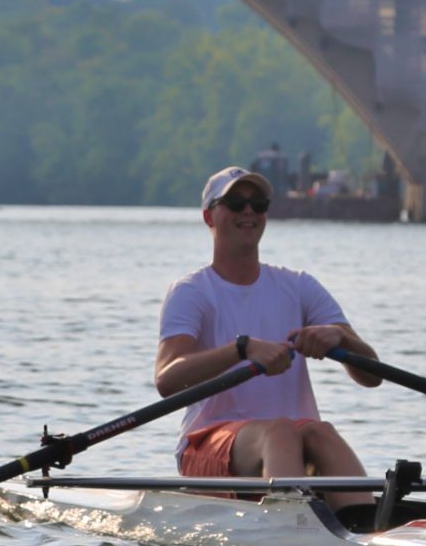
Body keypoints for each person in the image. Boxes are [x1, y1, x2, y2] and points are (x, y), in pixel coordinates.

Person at [155, 165, 380, 482]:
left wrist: (341, 340)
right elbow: (167, 380)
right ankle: (293, 518)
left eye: (258, 204)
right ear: (209, 217)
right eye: (235, 204)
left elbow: (372, 376)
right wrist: (241, 350)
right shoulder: (192, 292)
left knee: (321, 432)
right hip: (208, 442)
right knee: (280, 431)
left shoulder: (299, 286)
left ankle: (366, 522)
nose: (248, 211)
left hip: (292, 445)